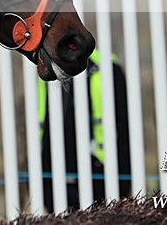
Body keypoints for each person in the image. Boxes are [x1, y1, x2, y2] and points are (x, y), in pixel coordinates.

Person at [38, 49, 131, 211]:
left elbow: (124, 131)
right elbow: (42, 124)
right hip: (55, 174)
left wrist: (123, 182)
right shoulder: (48, 69)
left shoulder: (107, 69)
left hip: (101, 174)